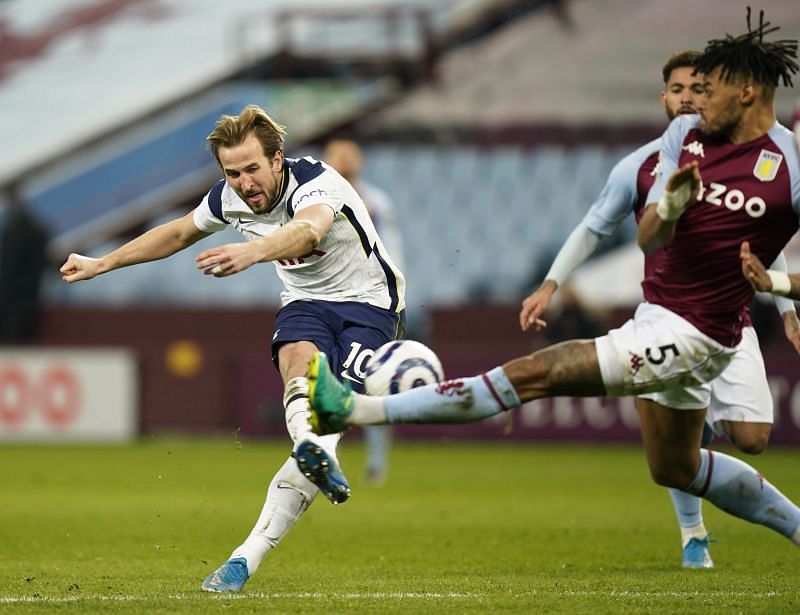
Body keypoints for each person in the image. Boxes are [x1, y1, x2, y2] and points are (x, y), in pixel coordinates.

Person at [305, 11, 800, 562]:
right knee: (674, 468)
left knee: (535, 374)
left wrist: (779, 286)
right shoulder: (685, 136)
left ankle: (351, 409)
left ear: (748, 90)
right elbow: (649, 237)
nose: (698, 102)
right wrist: (674, 205)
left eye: (712, 90)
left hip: (700, 334)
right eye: (691, 90)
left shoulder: (791, 164)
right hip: (660, 318)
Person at [60, 105, 406, 593]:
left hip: (369, 306)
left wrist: (251, 250)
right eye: (232, 173)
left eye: (252, 169)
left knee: (326, 417)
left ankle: (248, 553)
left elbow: (307, 229)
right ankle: (311, 447)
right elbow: (179, 232)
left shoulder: (317, 182)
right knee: (296, 365)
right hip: (308, 301)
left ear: (278, 160)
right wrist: (103, 263)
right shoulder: (228, 199)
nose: (244, 183)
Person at [518, 50, 800, 569]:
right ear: (664, 98)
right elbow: (592, 228)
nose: (690, 98)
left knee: (753, 439)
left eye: (699, 88)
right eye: (679, 90)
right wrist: (551, 284)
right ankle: (693, 534)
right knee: (676, 452)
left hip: (731, 322)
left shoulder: (745, 156)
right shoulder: (641, 165)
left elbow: (768, 235)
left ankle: (703, 476)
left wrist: (784, 306)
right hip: (666, 319)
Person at [322, 137, 407, 486]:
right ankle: (326, 454)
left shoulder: (375, 202)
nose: (344, 162)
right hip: (330, 301)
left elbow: (391, 251)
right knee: (328, 384)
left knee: (371, 385)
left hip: (373, 303)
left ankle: (375, 461)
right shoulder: (315, 200)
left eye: (348, 158)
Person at [0, 185, 50, 344]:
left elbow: (8, 268)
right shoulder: (37, 228)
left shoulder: (15, 230)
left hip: (14, 299)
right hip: (28, 298)